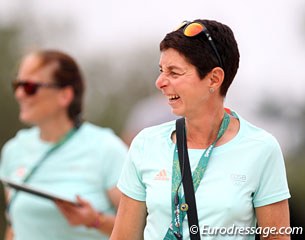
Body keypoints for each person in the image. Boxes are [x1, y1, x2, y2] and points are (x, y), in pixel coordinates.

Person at [110, 19, 291, 240]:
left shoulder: (262, 148)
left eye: (174, 73)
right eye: (161, 70)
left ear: (214, 79)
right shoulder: (145, 143)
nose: (160, 82)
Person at [0, 49, 127, 240]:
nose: (19, 94)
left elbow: (142, 229)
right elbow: (14, 227)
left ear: (65, 95)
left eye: (29, 87)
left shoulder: (107, 148)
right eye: (17, 84)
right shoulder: (13, 150)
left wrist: (95, 221)